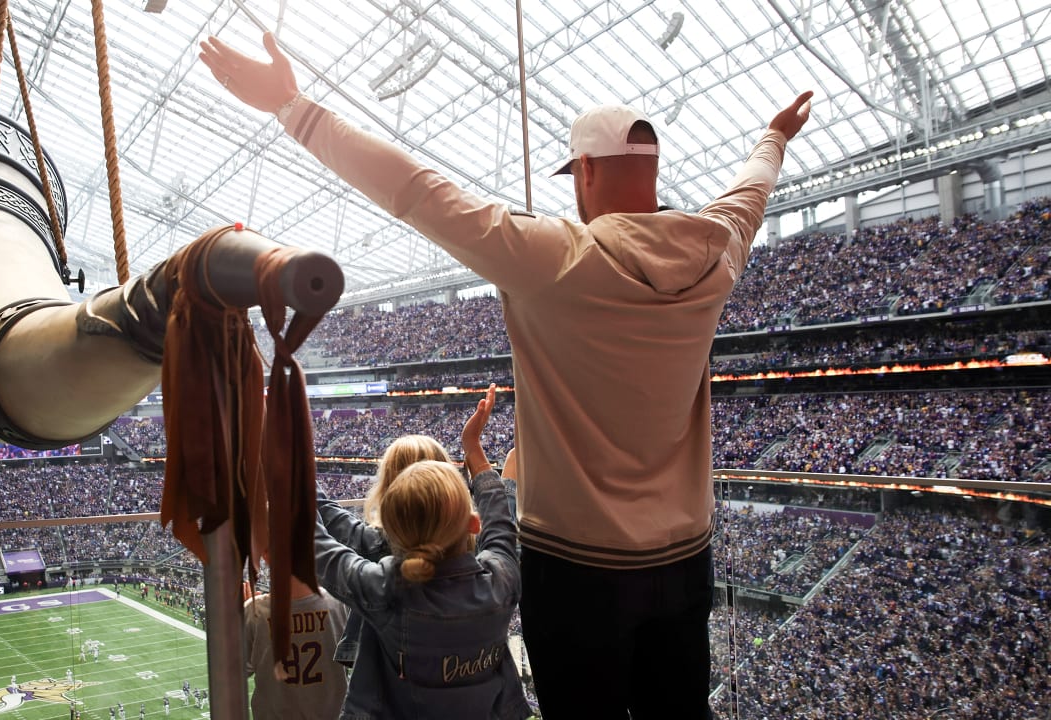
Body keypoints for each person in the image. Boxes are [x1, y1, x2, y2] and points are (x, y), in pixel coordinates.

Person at [200, 33, 813, 718]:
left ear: (584, 170)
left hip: (577, 568)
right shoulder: (719, 247)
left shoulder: (555, 257)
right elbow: (752, 189)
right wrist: (774, 137)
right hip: (684, 561)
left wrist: (292, 105)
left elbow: (414, 191)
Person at [308, 389, 528, 719]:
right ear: (472, 524)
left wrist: (295, 476)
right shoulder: (499, 581)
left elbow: (325, 553)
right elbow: (500, 527)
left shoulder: (385, 587)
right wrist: (474, 451)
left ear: (390, 531)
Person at [316, 431, 453, 667]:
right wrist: (481, 466)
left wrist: (292, 462)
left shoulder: (374, 547)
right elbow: (502, 532)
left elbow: (324, 520)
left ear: (389, 493)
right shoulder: (474, 555)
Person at [243, 563, 350, 719]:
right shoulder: (339, 603)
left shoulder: (255, 611)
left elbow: (237, 672)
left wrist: (242, 616)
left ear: (266, 554)